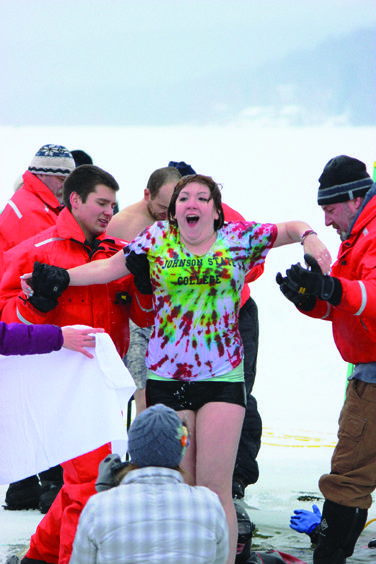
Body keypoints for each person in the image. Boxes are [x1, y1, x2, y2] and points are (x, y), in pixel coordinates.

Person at [22, 173, 331, 564]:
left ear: (216, 212)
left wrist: (310, 238)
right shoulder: (156, 241)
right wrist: (62, 277)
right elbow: (108, 268)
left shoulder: (238, 239)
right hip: (167, 379)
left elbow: (288, 227)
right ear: (173, 211)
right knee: (180, 485)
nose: (192, 204)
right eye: (184, 198)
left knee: (215, 487)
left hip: (221, 379)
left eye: (203, 198)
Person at [1, 164, 154, 564]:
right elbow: (6, 323)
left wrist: (142, 285)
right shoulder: (35, 252)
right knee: (89, 483)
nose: (109, 211)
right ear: (75, 200)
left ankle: (40, 556)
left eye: (113, 204)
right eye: (101, 202)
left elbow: (144, 317)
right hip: (57, 384)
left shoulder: (116, 255)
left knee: (83, 480)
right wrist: (36, 304)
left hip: (104, 380)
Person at [276, 155, 375, 564]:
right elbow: (349, 307)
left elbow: (367, 296)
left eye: (330, 209)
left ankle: (329, 558)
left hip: (372, 381)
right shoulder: (360, 234)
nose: (327, 220)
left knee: (348, 478)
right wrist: (310, 299)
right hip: (367, 370)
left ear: (354, 199)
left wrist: (333, 290)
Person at [168, 161, 262, 498]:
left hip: (234, 319)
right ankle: (181, 478)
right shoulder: (161, 223)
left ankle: (234, 477)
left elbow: (255, 265)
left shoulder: (227, 216)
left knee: (236, 397)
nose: (188, 204)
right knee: (183, 404)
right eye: (180, 197)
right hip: (182, 328)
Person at [0, 144, 76, 512]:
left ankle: (24, 486)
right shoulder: (33, 213)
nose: (66, 186)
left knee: (26, 396)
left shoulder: (28, 202)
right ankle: (50, 485)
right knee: (42, 397)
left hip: (14, 311)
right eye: (63, 179)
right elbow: (50, 259)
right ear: (50, 177)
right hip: (20, 311)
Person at [70, 403, 229, 564]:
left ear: (133, 447)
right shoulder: (210, 505)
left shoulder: (99, 507)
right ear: (180, 449)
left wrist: (105, 496)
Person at [107, 165, 182, 414]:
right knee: (143, 391)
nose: (167, 215)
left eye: (172, 208)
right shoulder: (121, 225)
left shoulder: (181, 222)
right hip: (134, 317)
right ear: (147, 194)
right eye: (162, 208)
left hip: (172, 317)